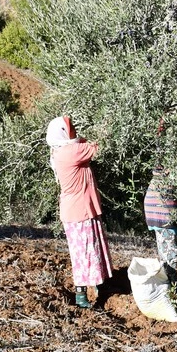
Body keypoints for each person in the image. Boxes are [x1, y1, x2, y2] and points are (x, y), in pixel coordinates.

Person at [46, 115, 113, 309]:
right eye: (70, 128)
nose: (73, 130)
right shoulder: (70, 152)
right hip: (79, 211)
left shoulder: (60, 151)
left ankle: (97, 287)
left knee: (89, 250)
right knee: (84, 253)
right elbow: (97, 146)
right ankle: (81, 296)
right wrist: (108, 122)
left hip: (77, 209)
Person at [144, 167, 177, 287]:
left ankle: (168, 289)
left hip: (157, 207)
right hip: (164, 211)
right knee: (170, 255)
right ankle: (173, 293)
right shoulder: (172, 163)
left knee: (165, 254)